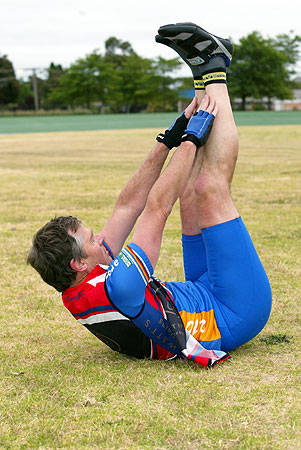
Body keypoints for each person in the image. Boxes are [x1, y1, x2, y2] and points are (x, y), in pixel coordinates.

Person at [28, 24, 272, 367]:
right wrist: (194, 136)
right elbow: (157, 207)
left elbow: (127, 204)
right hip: (235, 309)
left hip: (201, 292)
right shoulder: (122, 284)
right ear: (78, 263)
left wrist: (170, 137)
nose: (100, 237)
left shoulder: (80, 284)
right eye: (90, 238)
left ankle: (202, 73)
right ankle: (216, 67)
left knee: (188, 191)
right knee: (208, 189)